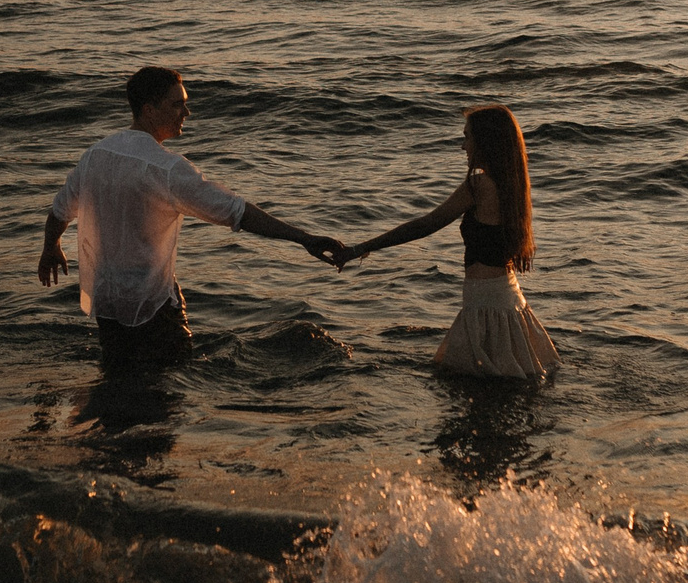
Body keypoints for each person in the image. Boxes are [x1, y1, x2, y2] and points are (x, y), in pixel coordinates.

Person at [39, 66, 347, 365]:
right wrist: (303, 238)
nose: (186, 113)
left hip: (107, 302)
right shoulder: (166, 169)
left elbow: (59, 211)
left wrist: (51, 247)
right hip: (151, 303)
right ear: (149, 110)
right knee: (168, 388)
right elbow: (236, 211)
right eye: (177, 105)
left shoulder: (95, 155)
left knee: (117, 379)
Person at [339, 104, 557, 379]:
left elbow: (426, 225)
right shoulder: (513, 186)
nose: (463, 146)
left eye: (467, 138)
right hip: (507, 300)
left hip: (485, 307)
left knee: (470, 384)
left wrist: (360, 248)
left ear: (484, 142)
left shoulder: (479, 185)